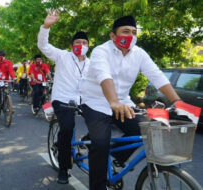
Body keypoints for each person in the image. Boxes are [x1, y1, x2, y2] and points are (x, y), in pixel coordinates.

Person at [80, 15, 181, 190]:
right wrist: (113, 101)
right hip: (95, 102)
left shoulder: (139, 54)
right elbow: (105, 76)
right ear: (113, 35)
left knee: (147, 131)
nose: (131, 35)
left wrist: (177, 101)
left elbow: (157, 76)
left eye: (134, 32)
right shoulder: (100, 51)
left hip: (123, 103)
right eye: (125, 31)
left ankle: (116, 155)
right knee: (100, 144)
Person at [37, 10, 90, 184]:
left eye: (84, 42)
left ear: (88, 46)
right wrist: (46, 26)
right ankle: (63, 167)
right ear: (71, 45)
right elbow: (43, 46)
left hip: (84, 101)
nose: (80, 45)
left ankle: (84, 141)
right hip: (63, 100)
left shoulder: (93, 62)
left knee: (103, 121)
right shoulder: (62, 56)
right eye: (77, 42)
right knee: (67, 127)